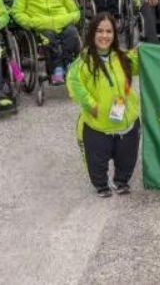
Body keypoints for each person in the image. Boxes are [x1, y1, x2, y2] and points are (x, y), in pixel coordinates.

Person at [66, 13, 140, 197]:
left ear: (115, 34)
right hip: (98, 124)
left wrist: (144, 53)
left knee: (127, 157)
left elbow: (142, 65)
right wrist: (92, 106)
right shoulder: (83, 62)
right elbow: (74, 83)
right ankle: (101, 184)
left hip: (126, 120)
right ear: (92, 33)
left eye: (109, 31)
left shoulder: (122, 58)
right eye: (100, 31)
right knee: (97, 160)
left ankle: (121, 180)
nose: (104, 36)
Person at [13, 0, 82, 85]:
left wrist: (60, 21)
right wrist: (32, 23)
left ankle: (68, 66)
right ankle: (56, 71)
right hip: (40, 26)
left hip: (62, 23)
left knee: (72, 32)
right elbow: (17, 13)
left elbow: (76, 12)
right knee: (48, 37)